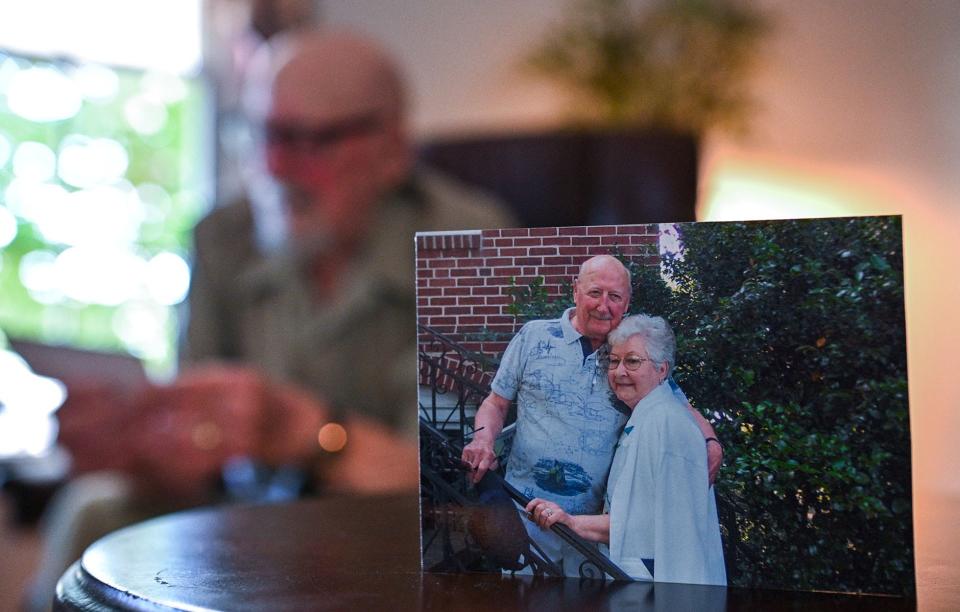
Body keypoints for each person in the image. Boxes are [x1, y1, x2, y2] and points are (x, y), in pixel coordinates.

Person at [27, 28, 515, 611]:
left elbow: (456, 490)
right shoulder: (223, 237)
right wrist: (140, 440)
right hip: (242, 516)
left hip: (387, 533)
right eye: (260, 132)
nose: (274, 164)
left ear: (391, 149)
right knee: (92, 508)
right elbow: (200, 455)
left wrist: (308, 436)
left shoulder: (469, 245)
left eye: (309, 139)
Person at [461, 255, 721, 576]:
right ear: (576, 291)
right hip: (523, 519)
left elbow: (676, 403)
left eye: (615, 297)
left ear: (627, 302)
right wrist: (483, 438)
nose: (604, 306)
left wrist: (709, 440)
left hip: (590, 534)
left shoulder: (630, 353)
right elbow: (496, 403)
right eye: (595, 293)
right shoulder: (534, 337)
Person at [526, 314, 726, 585]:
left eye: (632, 361)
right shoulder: (644, 418)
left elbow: (680, 539)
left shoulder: (667, 426)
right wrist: (569, 520)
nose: (620, 372)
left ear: (662, 370)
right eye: (615, 361)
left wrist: (573, 523)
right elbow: (635, 517)